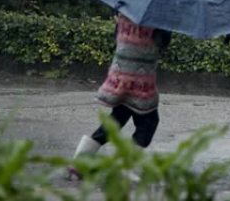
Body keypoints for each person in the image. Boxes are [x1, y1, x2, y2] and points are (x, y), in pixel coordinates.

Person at [67, 13, 171, 180]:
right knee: (149, 123)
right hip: (140, 80)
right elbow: (162, 43)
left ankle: (80, 163)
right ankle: (124, 166)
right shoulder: (158, 20)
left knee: (116, 120)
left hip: (120, 76)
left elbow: (117, 37)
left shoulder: (126, 14)